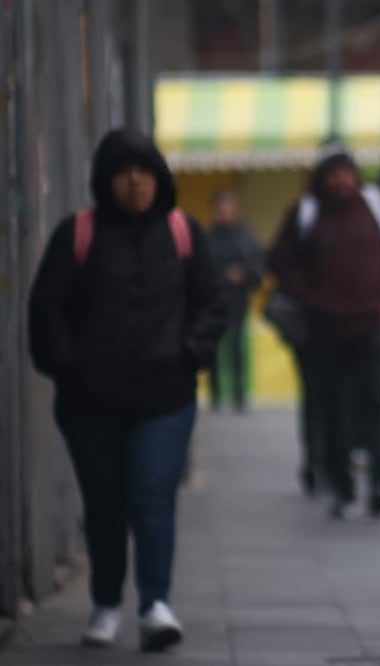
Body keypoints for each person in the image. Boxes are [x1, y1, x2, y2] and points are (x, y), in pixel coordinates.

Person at [28, 128, 225, 652]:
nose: (134, 183)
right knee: (105, 503)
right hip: (91, 402)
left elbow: (212, 303)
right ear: (105, 180)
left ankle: (156, 604)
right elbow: (46, 309)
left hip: (165, 398)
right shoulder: (79, 234)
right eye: (123, 173)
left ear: (160, 179)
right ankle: (107, 603)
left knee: (153, 496)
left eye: (143, 172)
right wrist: (69, 367)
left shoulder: (184, 233)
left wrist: (188, 354)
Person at [268, 148, 380, 520]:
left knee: (375, 404)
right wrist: (313, 298)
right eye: (334, 175)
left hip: (372, 324)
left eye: (347, 174)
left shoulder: (378, 207)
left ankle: (379, 485)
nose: (341, 182)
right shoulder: (306, 212)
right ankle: (341, 484)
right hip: (325, 330)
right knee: (333, 409)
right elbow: (281, 263)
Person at [206, 189, 264, 412]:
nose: (225, 211)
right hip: (215, 299)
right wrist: (223, 276)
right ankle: (216, 393)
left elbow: (258, 265)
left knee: (238, 346)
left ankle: (240, 394)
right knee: (214, 347)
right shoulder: (210, 237)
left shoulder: (244, 235)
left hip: (238, 299)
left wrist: (244, 275)